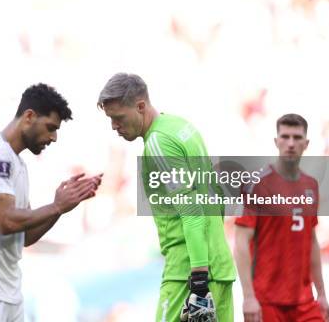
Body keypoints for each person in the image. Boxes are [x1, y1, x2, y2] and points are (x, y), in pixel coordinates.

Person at [0, 83, 102, 322]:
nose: (54, 137)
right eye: (50, 127)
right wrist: (56, 206)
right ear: (29, 116)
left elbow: (25, 235)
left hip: (8, 292)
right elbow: (6, 221)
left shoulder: (17, 164)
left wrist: (61, 208)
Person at [97, 73, 236, 322]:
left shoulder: (158, 144)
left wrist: (199, 278)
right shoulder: (181, 127)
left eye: (118, 118)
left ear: (140, 107)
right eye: (110, 119)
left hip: (188, 271)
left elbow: (191, 209)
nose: (114, 126)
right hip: (220, 266)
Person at [234, 114, 329, 322]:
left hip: (305, 302)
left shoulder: (311, 185)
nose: (290, 143)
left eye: (297, 138)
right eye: (285, 136)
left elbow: (311, 241)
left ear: (306, 144)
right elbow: (241, 241)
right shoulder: (257, 184)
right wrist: (248, 297)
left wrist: (321, 294)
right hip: (267, 302)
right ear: (276, 141)